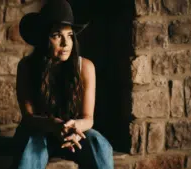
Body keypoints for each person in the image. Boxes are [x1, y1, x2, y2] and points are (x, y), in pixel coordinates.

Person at [14, 0, 114, 169]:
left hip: (73, 132)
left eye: (69, 36)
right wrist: (54, 125)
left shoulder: (86, 67)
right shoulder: (27, 66)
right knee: (31, 146)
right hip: (40, 131)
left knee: (99, 143)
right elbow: (29, 117)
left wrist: (73, 127)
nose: (66, 43)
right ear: (43, 37)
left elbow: (88, 118)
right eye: (57, 35)